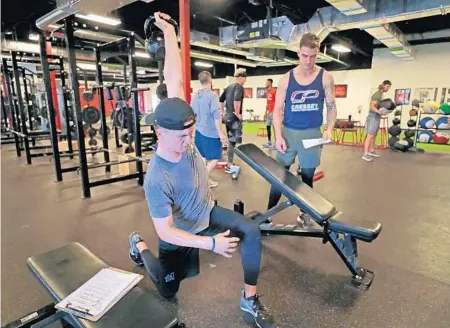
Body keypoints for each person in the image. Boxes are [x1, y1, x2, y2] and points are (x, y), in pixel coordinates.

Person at [128, 12, 277, 328]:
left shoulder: (180, 122)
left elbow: (174, 77)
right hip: (179, 235)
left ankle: (249, 299)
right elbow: (166, 230)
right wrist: (211, 244)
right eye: (181, 136)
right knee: (167, 291)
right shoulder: (157, 177)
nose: (188, 141)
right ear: (160, 133)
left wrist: (170, 31)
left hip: (207, 212)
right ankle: (138, 247)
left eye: (190, 133)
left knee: (251, 229)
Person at [267, 32, 337, 227]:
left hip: (312, 134)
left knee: (307, 178)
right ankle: (268, 215)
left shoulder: (325, 77)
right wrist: (278, 135)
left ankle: (303, 214)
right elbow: (277, 110)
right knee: (279, 177)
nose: (308, 60)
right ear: (298, 53)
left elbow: (331, 107)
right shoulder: (287, 79)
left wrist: (329, 129)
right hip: (288, 134)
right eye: (304, 55)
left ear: (318, 53)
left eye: (313, 56)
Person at [191, 71, 228, 188]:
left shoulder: (195, 95)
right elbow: (216, 115)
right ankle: (203, 180)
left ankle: (202, 179)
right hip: (210, 133)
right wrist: (220, 132)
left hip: (199, 131)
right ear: (210, 80)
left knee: (202, 157)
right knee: (216, 157)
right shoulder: (213, 95)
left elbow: (192, 114)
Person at [219, 68, 247, 174]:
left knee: (233, 141)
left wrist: (222, 112)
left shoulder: (229, 87)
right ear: (240, 77)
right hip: (233, 118)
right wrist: (237, 113)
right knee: (233, 142)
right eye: (244, 77)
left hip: (227, 117)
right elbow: (236, 100)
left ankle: (230, 162)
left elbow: (220, 99)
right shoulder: (239, 87)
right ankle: (230, 164)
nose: (245, 80)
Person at [362, 80, 392, 162]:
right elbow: (371, 106)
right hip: (373, 117)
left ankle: (371, 150)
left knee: (374, 134)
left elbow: (378, 106)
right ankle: (365, 154)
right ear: (383, 85)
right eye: (387, 86)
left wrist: (383, 112)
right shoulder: (377, 94)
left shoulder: (381, 94)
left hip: (376, 116)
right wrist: (379, 112)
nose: (388, 88)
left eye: (389, 87)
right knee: (370, 135)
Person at [262, 78, 277, 149]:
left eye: (267, 82)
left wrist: (276, 112)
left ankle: (277, 143)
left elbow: (277, 102)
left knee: (275, 128)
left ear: (270, 83)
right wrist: (265, 112)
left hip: (274, 112)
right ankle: (269, 142)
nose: (265, 83)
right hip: (269, 112)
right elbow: (267, 103)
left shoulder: (274, 91)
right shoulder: (267, 91)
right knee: (268, 126)